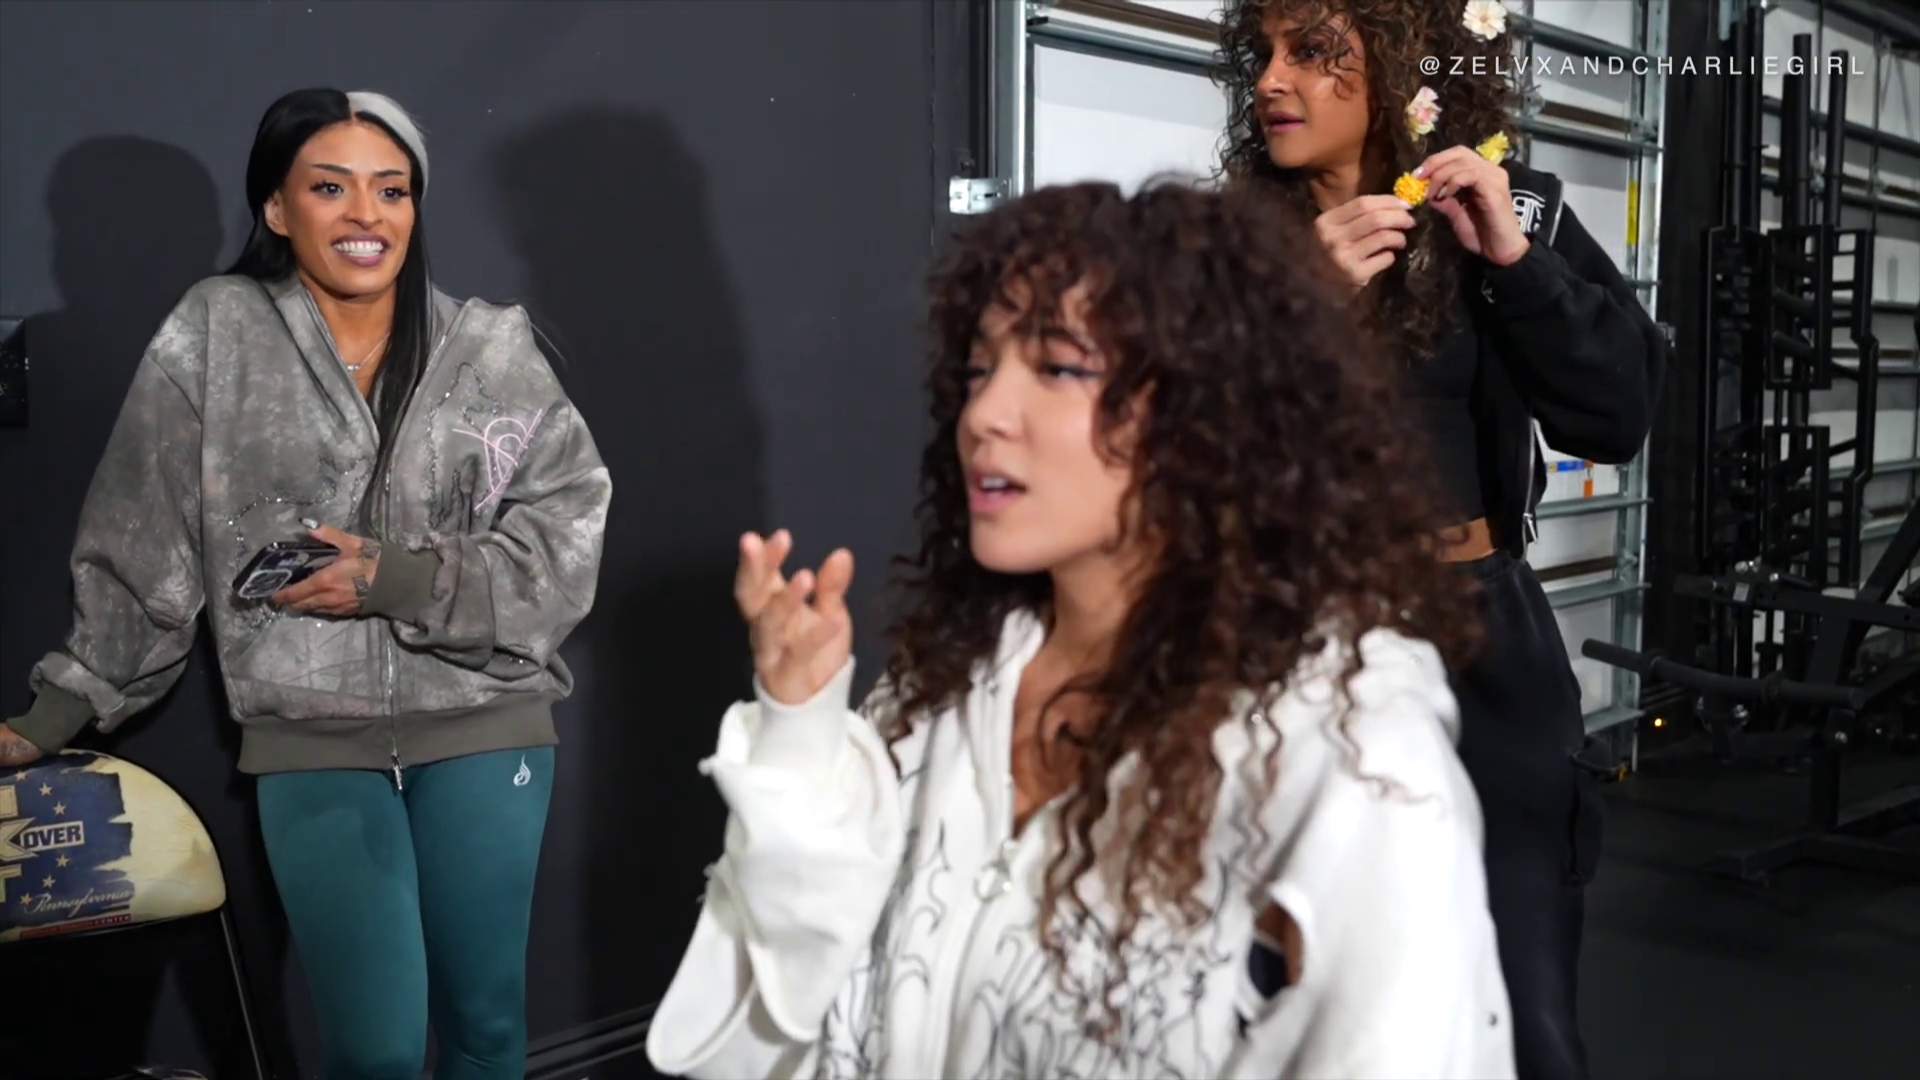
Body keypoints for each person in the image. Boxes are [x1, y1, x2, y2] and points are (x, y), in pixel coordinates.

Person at [644, 180, 1516, 1080]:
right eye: (979, 371)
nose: (984, 415)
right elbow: (795, 1000)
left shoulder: (1341, 743)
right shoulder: (950, 682)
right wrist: (800, 731)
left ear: (1204, 412)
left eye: (1058, 368)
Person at [0, 88, 610, 1080]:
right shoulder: (214, 333)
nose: (367, 214)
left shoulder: (491, 348)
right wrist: (60, 708)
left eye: (392, 190)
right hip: (310, 737)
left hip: (485, 723)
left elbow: (566, 541)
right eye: (331, 188)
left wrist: (393, 580)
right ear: (278, 208)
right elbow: (142, 533)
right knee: (374, 1050)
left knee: (488, 1027)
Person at [1217, 3, 1669, 1078]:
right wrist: (1296, 310)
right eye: (1263, 53)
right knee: (1301, 1010)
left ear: (1398, 64)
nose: (1272, 80)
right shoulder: (1229, 244)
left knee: (1525, 1012)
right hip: (1295, 650)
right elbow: (1170, 456)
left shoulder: (1513, 207)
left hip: (1482, 646)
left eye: (1311, 52)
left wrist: (1516, 261)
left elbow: (1619, 415)